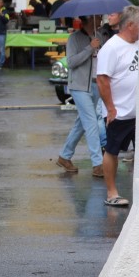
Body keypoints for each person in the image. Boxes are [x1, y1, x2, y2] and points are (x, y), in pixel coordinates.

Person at [96, 5, 139, 207]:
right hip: (119, 112)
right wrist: (111, 108)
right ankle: (112, 192)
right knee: (112, 150)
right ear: (130, 25)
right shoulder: (111, 48)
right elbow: (102, 80)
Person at [56, 15, 105, 177]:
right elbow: (71, 62)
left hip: (96, 84)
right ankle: (98, 164)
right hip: (79, 86)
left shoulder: (100, 35)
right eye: (97, 18)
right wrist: (89, 48)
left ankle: (64, 156)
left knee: (82, 123)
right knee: (91, 122)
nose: (100, 20)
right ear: (89, 20)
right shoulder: (74, 38)